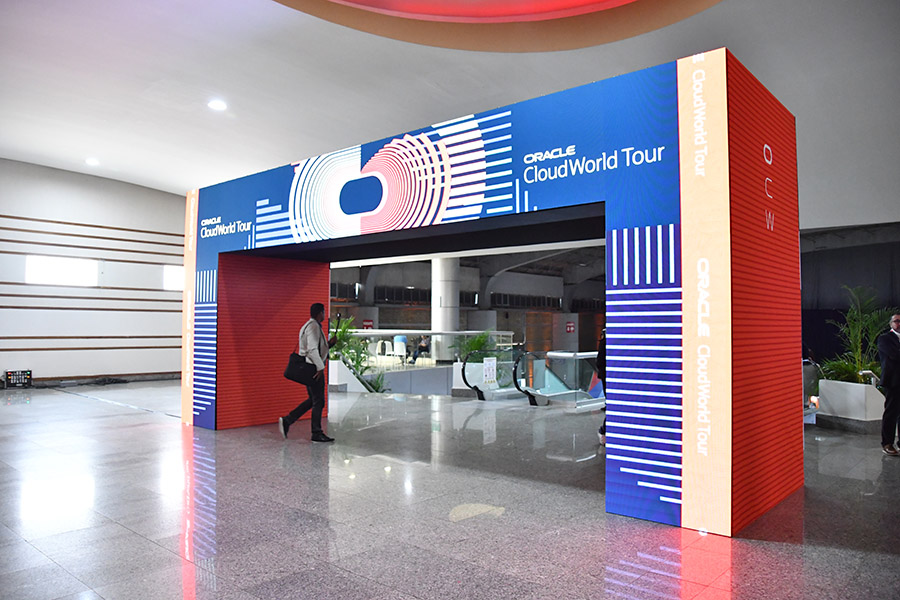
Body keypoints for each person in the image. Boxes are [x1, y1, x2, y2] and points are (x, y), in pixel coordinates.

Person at [279, 303, 336, 443]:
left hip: (311, 367)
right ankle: (316, 433)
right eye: (323, 312)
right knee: (319, 401)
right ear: (320, 313)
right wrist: (320, 367)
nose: (324, 314)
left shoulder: (309, 326)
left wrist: (329, 344)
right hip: (314, 369)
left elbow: (316, 347)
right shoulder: (313, 326)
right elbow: (312, 349)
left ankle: (288, 420)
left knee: (313, 400)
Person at [877, 314, 900, 456]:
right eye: (896, 321)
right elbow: (894, 355)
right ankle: (887, 443)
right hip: (893, 381)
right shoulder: (885, 338)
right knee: (891, 413)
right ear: (891, 324)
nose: (899, 323)